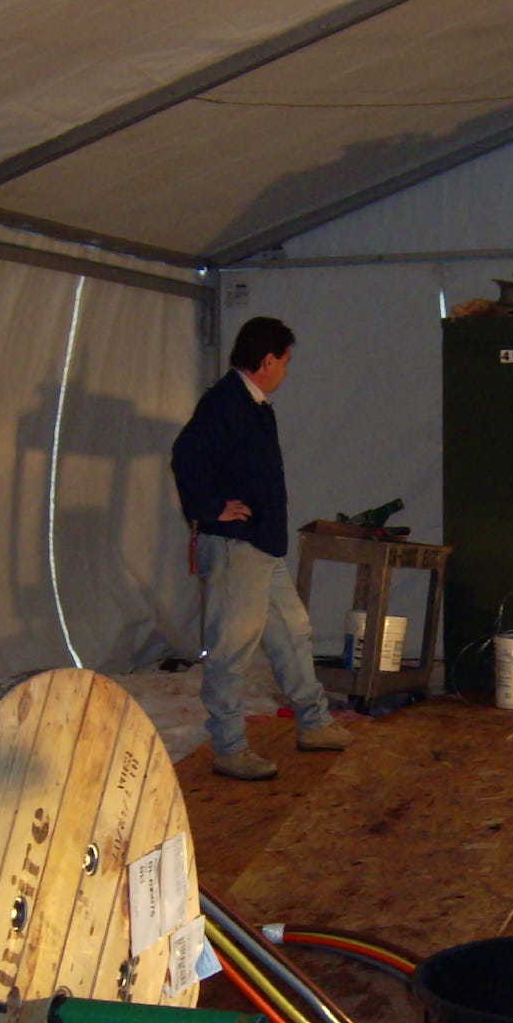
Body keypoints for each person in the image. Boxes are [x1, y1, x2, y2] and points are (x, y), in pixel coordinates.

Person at [171, 317, 354, 779]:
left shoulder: (253, 405)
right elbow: (185, 455)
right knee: (231, 650)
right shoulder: (225, 404)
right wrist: (211, 509)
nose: (286, 372)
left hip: (261, 545)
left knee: (293, 633)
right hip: (238, 547)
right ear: (268, 360)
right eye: (286, 362)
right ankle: (229, 747)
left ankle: (313, 723)